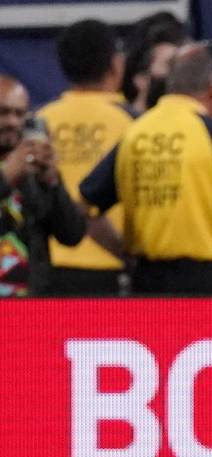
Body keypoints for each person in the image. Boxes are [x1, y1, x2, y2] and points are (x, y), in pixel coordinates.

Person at [81, 42, 212, 295]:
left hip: (146, 287)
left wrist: (122, 252)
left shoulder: (133, 136)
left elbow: (84, 207)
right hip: (208, 288)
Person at [38, 19, 133, 294]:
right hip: (112, 266)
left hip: (49, 269)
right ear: (115, 65)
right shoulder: (135, 125)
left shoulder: (39, 121)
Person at [0, 75, 87, 295]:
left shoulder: (32, 168)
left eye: (19, 114)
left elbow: (72, 235)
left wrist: (52, 182)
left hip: (32, 302)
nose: (12, 122)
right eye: (3, 112)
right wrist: (5, 177)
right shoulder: (15, 168)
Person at [122, 12, 188, 113]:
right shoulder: (116, 121)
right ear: (141, 78)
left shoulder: (194, 120)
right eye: (171, 64)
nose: (182, 73)